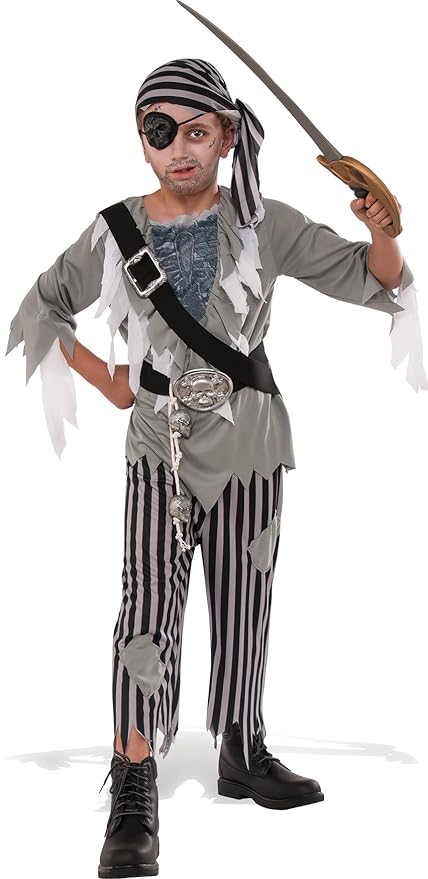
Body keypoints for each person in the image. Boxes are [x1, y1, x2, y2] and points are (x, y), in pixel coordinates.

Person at [5, 57, 424, 879]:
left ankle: (241, 745)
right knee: (145, 611)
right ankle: (134, 778)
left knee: (245, 600)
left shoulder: (267, 225)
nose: (179, 150)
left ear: (228, 137)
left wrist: (384, 229)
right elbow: (41, 304)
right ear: (142, 142)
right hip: (157, 449)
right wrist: (114, 382)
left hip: (251, 443)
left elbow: (374, 281)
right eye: (160, 133)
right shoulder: (115, 230)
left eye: (197, 131)